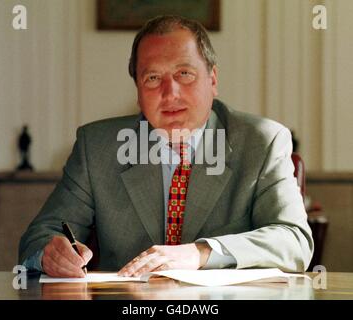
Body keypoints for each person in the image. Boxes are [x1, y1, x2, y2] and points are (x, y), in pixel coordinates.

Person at [19, 15, 313, 278]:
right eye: (153, 78)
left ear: (213, 79)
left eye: (184, 74)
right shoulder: (96, 147)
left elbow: (293, 240)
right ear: (137, 91)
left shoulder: (261, 141)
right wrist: (51, 254)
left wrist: (200, 253)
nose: (170, 93)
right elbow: (40, 236)